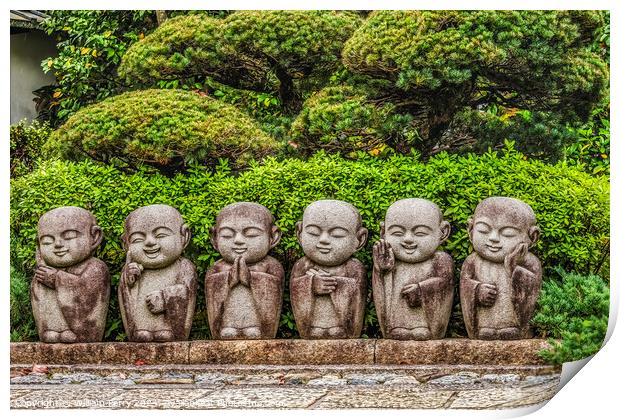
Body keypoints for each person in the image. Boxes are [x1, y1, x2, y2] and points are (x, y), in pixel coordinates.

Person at [460, 197, 542, 340]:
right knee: (485, 332)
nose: (493, 238)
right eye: (484, 230)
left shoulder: (529, 262)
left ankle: (513, 328)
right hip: (484, 322)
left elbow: (532, 292)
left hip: (512, 323)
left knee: (510, 330)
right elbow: (465, 284)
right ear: (471, 230)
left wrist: (514, 268)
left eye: (508, 233)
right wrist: (477, 290)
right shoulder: (472, 261)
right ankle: (485, 328)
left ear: (532, 237)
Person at [373, 198, 454, 340]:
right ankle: (396, 326)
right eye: (398, 233)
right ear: (383, 232)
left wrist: (421, 289)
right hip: (397, 323)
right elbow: (382, 296)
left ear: (442, 232)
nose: (408, 239)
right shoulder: (390, 260)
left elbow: (445, 284)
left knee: (422, 331)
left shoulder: (440, 259)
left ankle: (424, 327)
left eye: (420, 233)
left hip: (425, 323)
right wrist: (383, 271)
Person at [205, 202, 284, 339]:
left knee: (253, 331)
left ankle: (254, 327)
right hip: (228, 320)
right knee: (227, 332)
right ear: (215, 239)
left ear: (273, 237)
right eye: (227, 235)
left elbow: (274, 292)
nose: (238, 241)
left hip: (255, 320)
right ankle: (228, 327)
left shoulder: (271, 266)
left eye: (251, 234)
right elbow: (212, 294)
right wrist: (229, 279)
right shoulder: (217, 267)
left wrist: (251, 278)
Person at [290, 200, 368, 339]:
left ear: (359, 239)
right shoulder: (302, 265)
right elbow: (295, 293)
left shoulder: (354, 267)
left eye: (337, 235)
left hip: (340, 328)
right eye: (313, 232)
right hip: (313, 327)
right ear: (299, 233)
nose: (323, 240)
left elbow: (357, 298)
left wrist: (331, 283)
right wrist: (310, 284)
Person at [119, 204, 197, 342]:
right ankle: (142, 329)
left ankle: (165, 329)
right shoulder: (134, 268)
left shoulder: (183, 266)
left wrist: (166, 297)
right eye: (138, 239)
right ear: (126, 244)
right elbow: (127, 298)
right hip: (142, 323)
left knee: (164, 334)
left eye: (160, 235)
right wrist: (129, 281)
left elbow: (186, 293)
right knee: (141, 335)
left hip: (167, 323)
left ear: (184, 236)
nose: (149, 242)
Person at [31, 206, 110, 343]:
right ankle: (52, 329)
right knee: (40, 286)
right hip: (51, 331)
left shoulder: (96, 267)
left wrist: (57, 279)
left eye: (69, 237)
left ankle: (77, 333)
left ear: (95, 237)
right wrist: (44, 272)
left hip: (82, 328)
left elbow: (90, 293)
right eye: (47, 241)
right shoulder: (45, 270)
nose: (58, 244)